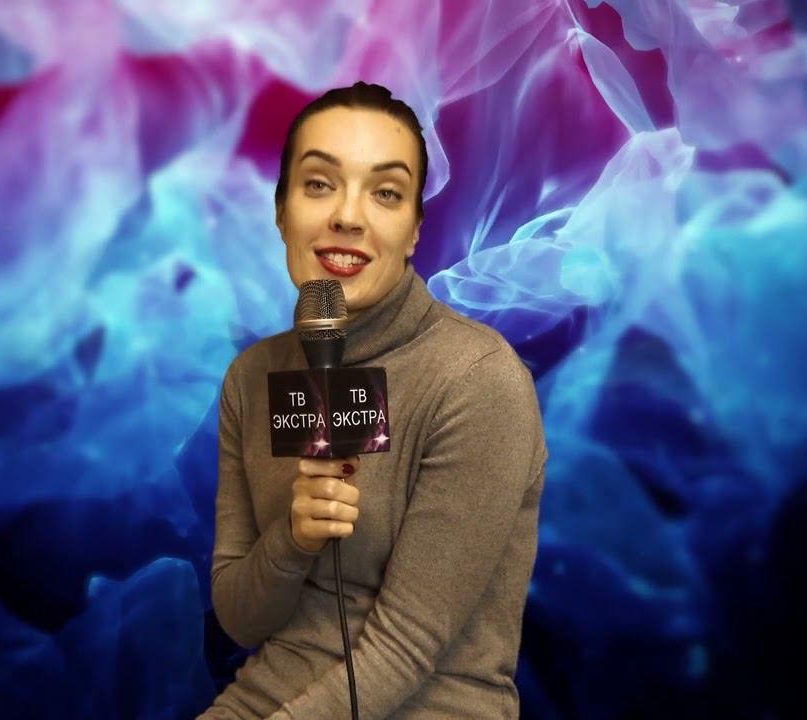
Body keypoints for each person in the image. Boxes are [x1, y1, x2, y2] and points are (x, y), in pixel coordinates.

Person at [198, 81, 546, 719]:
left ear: (414, 231)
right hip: (264, 699)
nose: (348, 217)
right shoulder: (252, 377)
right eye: (319, 184)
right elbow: (241, 620)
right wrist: (293, 538)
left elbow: (405, 649)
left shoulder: (477, 379)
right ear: (281, 212)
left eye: (385, 193)